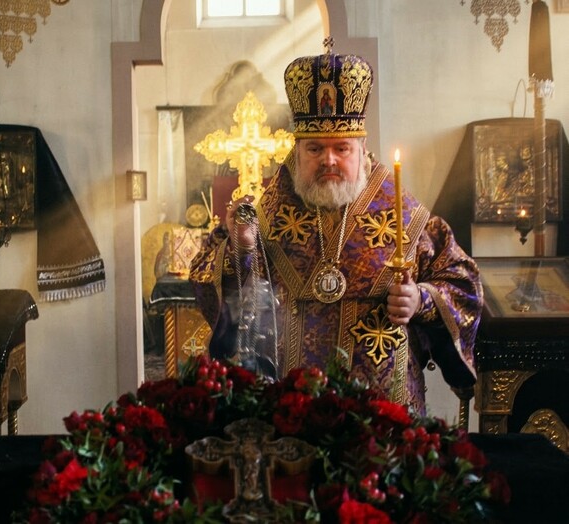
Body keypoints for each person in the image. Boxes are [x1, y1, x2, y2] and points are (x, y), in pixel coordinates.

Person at [189, 43, 482, 414]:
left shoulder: (408, 219)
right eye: (315, 149)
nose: (328, 160)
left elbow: (463, 285)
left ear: (361, 148)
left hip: (383, 415)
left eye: (341, 148)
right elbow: (220, 291)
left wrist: (421, 299)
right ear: (297, 152)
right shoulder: (264, 215)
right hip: (293, 410)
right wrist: (242, 249)